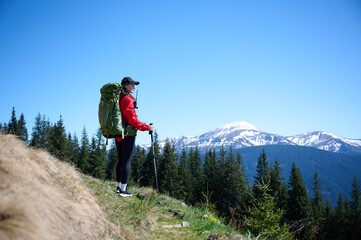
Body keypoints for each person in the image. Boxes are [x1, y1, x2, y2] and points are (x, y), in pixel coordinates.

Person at [115, 77, 154, 197]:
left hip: (118, 132)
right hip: (128, 133)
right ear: (125, 86)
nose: (134, 87)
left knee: (121, 159)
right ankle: (123, 190)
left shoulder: (119, 98)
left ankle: (118, 187)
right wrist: (147, 127)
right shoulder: (127, 99)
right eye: (132, 84)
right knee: (126, 160)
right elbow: (132, 120)